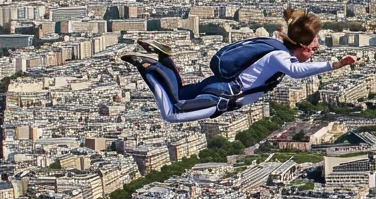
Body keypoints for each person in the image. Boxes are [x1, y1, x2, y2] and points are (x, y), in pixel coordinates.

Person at [121, 8, 356, 124]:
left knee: (180, 92)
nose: (313, 54)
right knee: (172, 113)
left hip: (220, 85)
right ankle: (149, 67)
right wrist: (334, 65)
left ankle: (164, 58)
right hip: (223, 96)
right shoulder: (281, 57)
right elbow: (296, 72)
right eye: (313, 50)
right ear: (302, 46)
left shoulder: (274, 46)